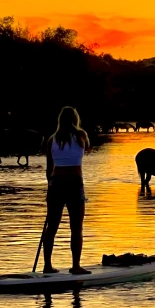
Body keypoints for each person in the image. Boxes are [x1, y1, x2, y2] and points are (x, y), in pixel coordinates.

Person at [43, 106, 91, 274]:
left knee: (52, 226)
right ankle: (76, 266)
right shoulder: (81, 136)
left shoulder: (51, 139)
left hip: (55, 183)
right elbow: (87, 150)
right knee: (76, 227)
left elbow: (49, 169)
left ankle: (47, 265)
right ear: (75, 119)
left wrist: (50, 186)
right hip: (74, 182)